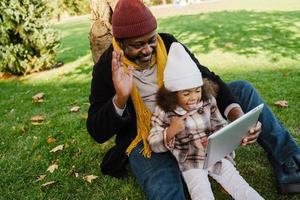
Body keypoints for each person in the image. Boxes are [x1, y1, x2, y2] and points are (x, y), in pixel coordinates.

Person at [86, 0, 300, 198]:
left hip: (193, 114)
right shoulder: (107, 67)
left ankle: (289, 161)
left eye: (151, 40)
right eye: (137, 45)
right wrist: (120, 99)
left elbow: (206, 77)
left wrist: (236, 116)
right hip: (148, 137)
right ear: (120, 42)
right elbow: (96, 130)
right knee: (164, 189)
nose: (147, 50)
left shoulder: (167, 44)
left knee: (242, 89)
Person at [147, 42, 264, 200]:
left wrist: (222, 139)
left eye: (197, 90)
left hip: (214, 154)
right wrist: (171, 131)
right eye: (186, 93)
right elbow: (153, 143)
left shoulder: (207, 101)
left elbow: (219, 124)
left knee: (239, 185)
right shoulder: (164, 111)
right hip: (190, 161)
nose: (194, 97)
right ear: (173, 93)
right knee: (201, 193)